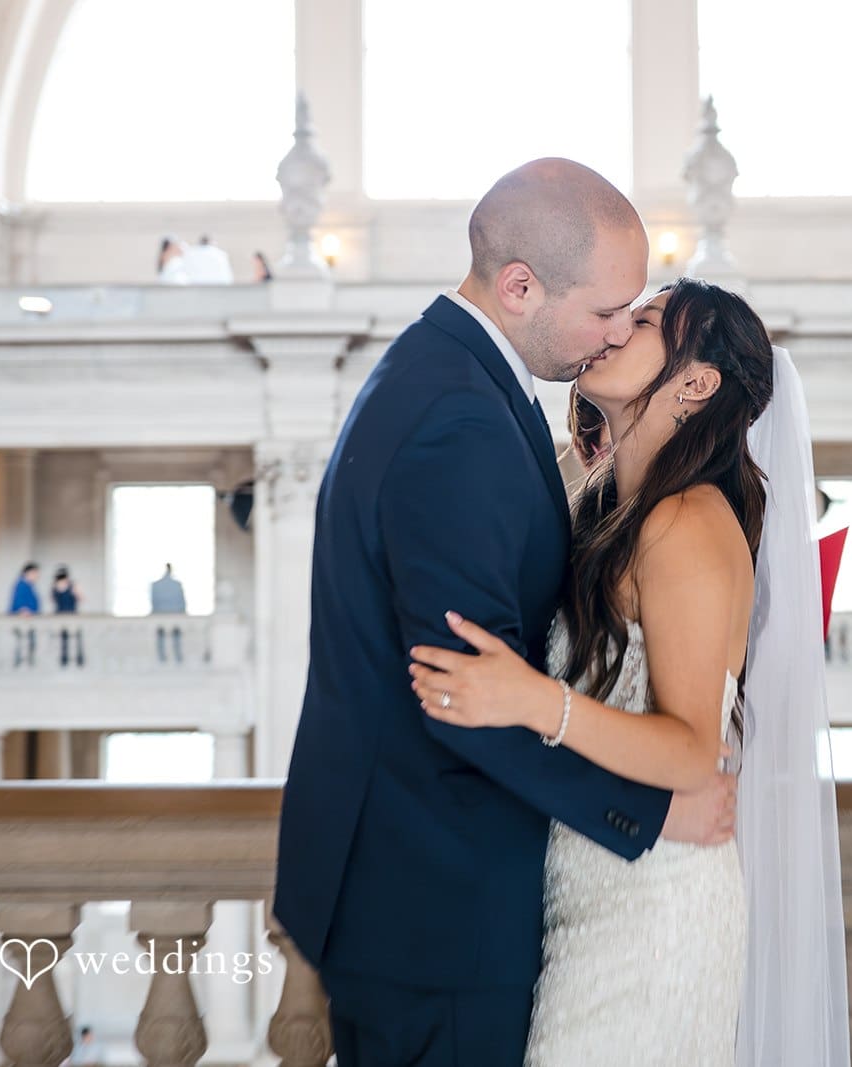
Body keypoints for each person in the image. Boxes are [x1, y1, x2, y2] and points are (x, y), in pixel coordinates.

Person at [274, 159, 737, 1067]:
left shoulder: (451, 380)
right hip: (433, 904)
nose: (612, 337)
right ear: (520, 285)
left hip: (435, 893)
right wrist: (642, 810)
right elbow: (461, 692)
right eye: (609, 311)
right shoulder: (461, 419)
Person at [413, 280, 850, 1064]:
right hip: (587, 891)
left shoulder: (686, 521)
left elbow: (690, 749)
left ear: (695, 382)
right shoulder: (617, 504)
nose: (612, 329)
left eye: (641, 321)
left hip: (655, 916)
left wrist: (532, 699)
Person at [149, 563, 186, 663]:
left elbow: (153, 601)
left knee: (164, 637)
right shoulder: (176, 585)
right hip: (173, 616)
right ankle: (176, 658)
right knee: (173, 637)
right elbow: (182, 602)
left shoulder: (156, 585)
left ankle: (164, 659)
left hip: (163, 616)